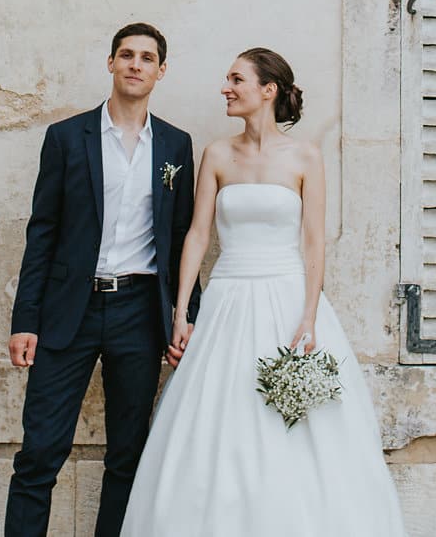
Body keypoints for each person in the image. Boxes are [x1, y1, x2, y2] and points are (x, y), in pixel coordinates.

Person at [119, 48, 407, 535]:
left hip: (286, 297)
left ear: (267, 91)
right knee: (218, 422)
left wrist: (309, 316)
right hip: (228, 299)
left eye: (236, 79)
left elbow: (314, 242)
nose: (225, 88)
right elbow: (196, 236)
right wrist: (182, 313)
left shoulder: (305, 156)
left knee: (294, 429)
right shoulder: (216, 153)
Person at [5, 23, 202, 537]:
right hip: (69, 309)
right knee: (40, 452)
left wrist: (185, 317)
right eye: (127, 55)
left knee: (127, 457)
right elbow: (41, 231)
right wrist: (25, 320)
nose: (136, 64)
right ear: (111, 64)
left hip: (139, 312)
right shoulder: (67, 137)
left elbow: (182, 239)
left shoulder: (176, 147)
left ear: (161, 71)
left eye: (147, 58)